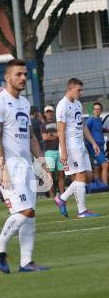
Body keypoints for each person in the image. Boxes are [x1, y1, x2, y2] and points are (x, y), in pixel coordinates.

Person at [0, 59, 50, 273]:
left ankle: (26, 262)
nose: (23, 78)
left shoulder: (24, 103)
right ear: (7, 77)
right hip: (8, 167)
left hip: (26, 166)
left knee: (30, 214)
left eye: (24, 74)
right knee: (24, 211)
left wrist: (42, 163)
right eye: (18, 74)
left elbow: (31, 136)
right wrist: (3, 168)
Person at [54, 78, 101, 218]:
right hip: (71, 145)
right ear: (70, 88)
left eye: (81, 90)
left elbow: (83, 125)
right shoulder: (62, 105)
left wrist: (93, 142)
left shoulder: (78, 104)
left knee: (88, 176)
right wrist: (63, 151)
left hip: (80, 144)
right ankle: (82, 211)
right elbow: (60, 130)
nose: (81, 92)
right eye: (79, 90)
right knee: (80, 175)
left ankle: (62, 199)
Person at [41, 105, 65, 197]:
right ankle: (52, 195)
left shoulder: (58, 123)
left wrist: (51, 134)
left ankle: (62, 195)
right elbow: (45, 137)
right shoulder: (43, 125)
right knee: (50, 175)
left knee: (61, 174)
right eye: (47, 112)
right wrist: (57, 134)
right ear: (45, 114)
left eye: (50, 111)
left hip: (59, 150)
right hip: (49, 152)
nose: (49, 113)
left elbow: (62, 134)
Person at [85, 102, 108, 185]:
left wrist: (105, 130)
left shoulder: (99, 120)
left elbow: (98, 130)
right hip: (94, 148)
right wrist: (90, 146)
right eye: (95, 109)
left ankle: (99, 186)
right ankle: (106, 187)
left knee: (98, 168)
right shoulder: (90, 120)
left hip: (101, 147)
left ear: (101, 110)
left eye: (98, 109)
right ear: (93, 110)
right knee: (105, 165)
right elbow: (85, 131)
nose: (97, 111)